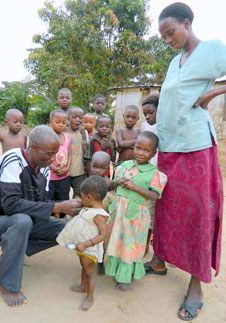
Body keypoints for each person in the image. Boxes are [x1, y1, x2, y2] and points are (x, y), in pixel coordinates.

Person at [144, 2, 226, 321]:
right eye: (163, 36)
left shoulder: (212, 50)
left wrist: (212, 95)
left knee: (197, 213)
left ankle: (196, 284)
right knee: (166, 207)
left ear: (187, 23)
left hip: (196, 147)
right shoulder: (175, 61)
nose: (168, 40)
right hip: (169, 148)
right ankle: (160, 260)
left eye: (171, 32)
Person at [0, 125, 82, 307]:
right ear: (33, 148)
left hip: (25, 224)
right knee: (21, 220)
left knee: (68, 228)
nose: (53, 158)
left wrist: (68, 208)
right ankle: (7, 285)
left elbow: (43, 205)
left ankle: (18, 247)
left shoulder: (45, 169)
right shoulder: (12, 159)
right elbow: (10, 205)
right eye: (49, 153)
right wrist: (58, 206)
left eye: (55, 153)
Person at [105, 132, 167, 291]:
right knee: (117, 242)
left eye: (146, 150)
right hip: (118, 213)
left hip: (136, 218)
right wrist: (117, 182)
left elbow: (154, 195)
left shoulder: (154, 173)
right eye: (138, 148)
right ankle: (115, 269)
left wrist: (135, 187)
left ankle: (126, 276)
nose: (140, 152)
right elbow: (111, 186)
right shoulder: (123, 167)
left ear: (154, 153)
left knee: (130, 245)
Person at [56, 175, 109, 311]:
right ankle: (83, 286)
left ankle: (90, 297)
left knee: (90, 272)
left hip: (88, 248)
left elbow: (103, 235)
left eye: (83, 196)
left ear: (90, 197)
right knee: (83, 267)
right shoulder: (89, 207)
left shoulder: (98, 215)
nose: (81, 199)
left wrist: (86, 244)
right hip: (82, 246)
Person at [89, 151, 116, 275]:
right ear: (90, 165)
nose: (98, 171)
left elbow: (111, 201)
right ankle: (89, 261)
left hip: (103, 219)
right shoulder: (88, 181)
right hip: (90, 219)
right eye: (95, 167)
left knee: (102, 241)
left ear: (107, 168)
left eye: (102, 168)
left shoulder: (109, 183)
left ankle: (100, 262)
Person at [141, 95, 159, 253]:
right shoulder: (144, 126)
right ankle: (145, 244)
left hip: (160, 174)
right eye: (145, 113)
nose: (147, 116)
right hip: (147, 173)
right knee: (147, 210)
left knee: (157, 212)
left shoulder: (164, 126)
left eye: (151, 112)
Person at [49, 109, 72, 218]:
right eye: (57, 122)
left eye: (63, 123)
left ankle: (61, 221)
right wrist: (52, 167)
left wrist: (67, 167)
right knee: (49, 200)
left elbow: (70, 154)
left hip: (64, 177)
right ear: (50, 122)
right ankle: (50, 220)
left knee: (63, 199)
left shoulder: (68, 137)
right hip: (50, 177)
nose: (61, 125)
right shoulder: (47, 138)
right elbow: (44, 155)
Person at [67, 107, 89, 197]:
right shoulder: (64, 132)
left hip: (79, 172)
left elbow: (86, 151)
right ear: (68, 118)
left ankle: (76, 211)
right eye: (74, 117)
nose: (77, 120)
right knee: (64, 195)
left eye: (80, 118)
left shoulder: (84, 133)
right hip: (65, 172)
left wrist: (83, 134)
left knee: (79, 195)